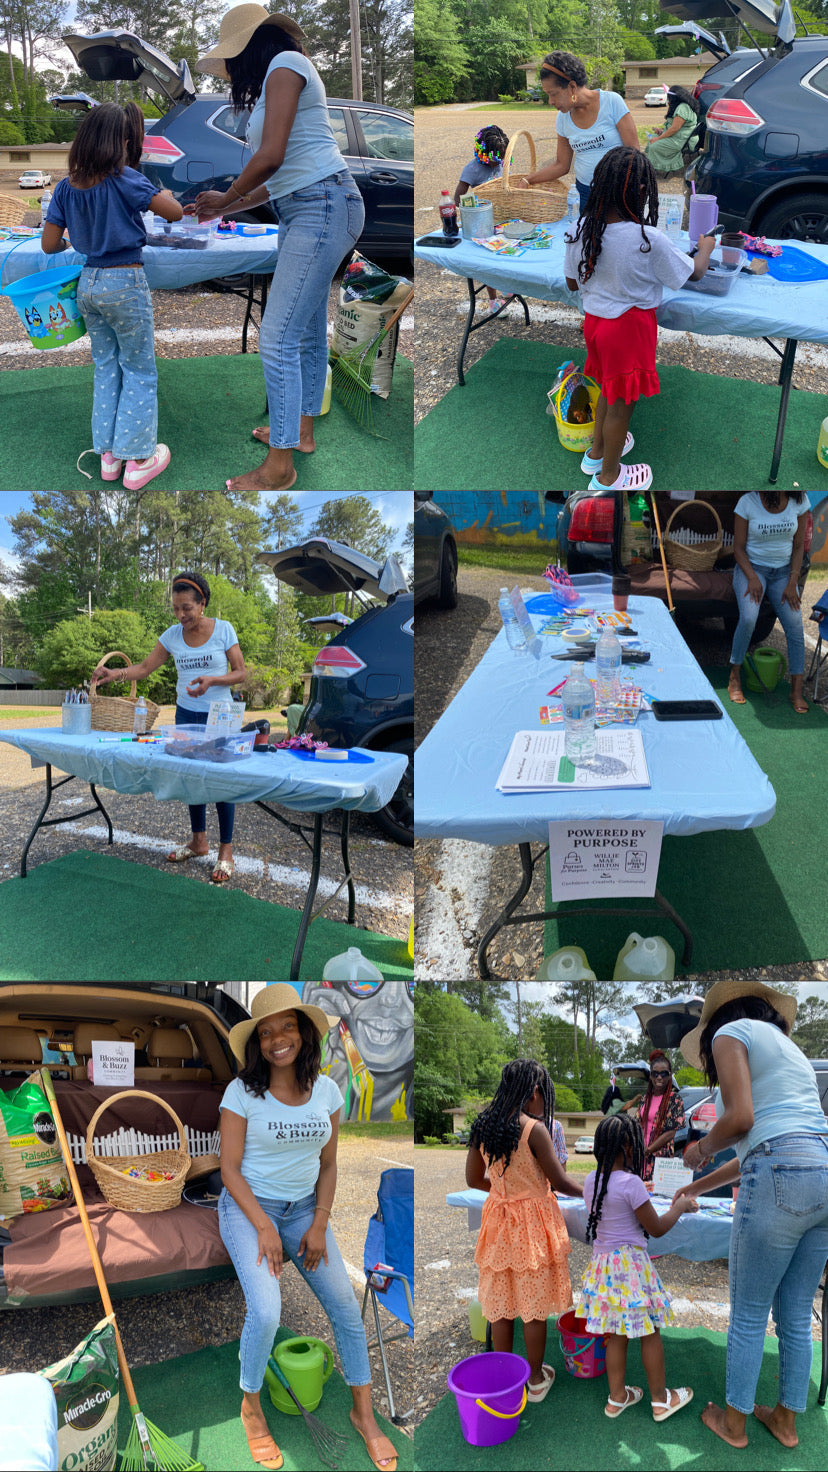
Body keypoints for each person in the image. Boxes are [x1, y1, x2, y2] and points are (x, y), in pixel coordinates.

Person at [219, 984, 397, 1472]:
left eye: (287, 1027)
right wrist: (263, 1226)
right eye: (266, 1032)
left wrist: (319, 1222)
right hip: (248, 1208)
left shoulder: (327, 1090)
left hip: (304, 1211)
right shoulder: (241, 1093)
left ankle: (363, 1414)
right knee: (267, 1311)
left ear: (304, 1033)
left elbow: (329, 1164)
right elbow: (229, 1170)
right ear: (256, 1042)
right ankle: (250, 1407)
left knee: (346, 1308)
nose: (278, 1039)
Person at [193, 5, 365, 492]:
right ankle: (300, 434)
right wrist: (225, 206)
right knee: (304, 331)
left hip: (323, 206)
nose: (230, 73)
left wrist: (227, 195)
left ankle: (279, 467)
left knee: (277, 337)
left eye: (230, 61)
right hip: (307, 206)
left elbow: (270, 158)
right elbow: (280, 177)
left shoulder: (286, 64)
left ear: (248, 48)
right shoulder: (279, 76)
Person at [676, 981, 828, 1451]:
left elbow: (742, 1121)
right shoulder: (788, 1051)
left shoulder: (730, 1033)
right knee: (796, 1315)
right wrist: (696, 1185)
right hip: (822, 1172)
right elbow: (763, 1147)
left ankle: (734, 1423)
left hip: (779, 1172)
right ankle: (785, 1421)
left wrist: (700, 1149)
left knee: (747, 1314)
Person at [41, 102, 181, 490]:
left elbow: (49, 245)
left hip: (88, 284)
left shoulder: (65, 187)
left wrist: (74, 239)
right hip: (125, 283)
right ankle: (138, 459)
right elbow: (173, 212)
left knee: (106, 366)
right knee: (139, 368)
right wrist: (163, 192)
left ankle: (108, 456)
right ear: (122, 142)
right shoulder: (126, 179)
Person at [563, 146, 716, 490]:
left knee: (609, 390)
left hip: (596, 325)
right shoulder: (649, 239)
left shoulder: (580, 228)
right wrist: (705, 248)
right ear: (643, 191)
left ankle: (596, 453)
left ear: (600, 183)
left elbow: (572, 282)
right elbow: (694, 273)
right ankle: (609, 477)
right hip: (628, 330)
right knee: (621, 408)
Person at [91, 570, 247, 884]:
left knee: (221, 781)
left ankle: (226, 850)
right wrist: (115, 674)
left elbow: (241, 672)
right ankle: (198, 842)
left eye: (187, 608)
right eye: (176, 608)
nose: (181, 615)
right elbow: (144, 668)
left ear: (202, 603)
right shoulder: (172, 636)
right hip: (186, 714)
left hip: (219, 716)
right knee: (191, 778)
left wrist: (213, 680)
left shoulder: (223, 630)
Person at [465, 1059, 583, 1402]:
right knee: (533, 1305)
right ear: (533, 1091)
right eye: (544, 1094)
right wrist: (595, 1190)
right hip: (532, 1225)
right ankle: (534, 1379)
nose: (545, 1102)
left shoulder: (483, 1125)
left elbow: (473, 1178)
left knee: (502, 1304)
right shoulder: (534, 1129)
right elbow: (560, 1181)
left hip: (498, 1221)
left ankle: (506, 1378)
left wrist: (505, 1192)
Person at [582, 1112, 699, 1421]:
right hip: (631, 1268)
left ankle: (617, 1398)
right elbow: (656, 1228)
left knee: (615, 1332)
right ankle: (660, 1400)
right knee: (650, 1331)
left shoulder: (592, 1180)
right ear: (628, 1147)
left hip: (605, 1269)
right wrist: (680, 1207)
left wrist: (638, 1191)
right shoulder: (631, 1183)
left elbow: (615, 1201)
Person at [517, 52, 640, 213]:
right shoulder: (563, 119)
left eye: (553, 94)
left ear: (572, 87)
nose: (550, 101)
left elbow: (634, 152)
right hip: (585, 192)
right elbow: (561, 165)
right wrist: (527, 180)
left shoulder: (611, 102)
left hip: (618, 191)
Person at [726, 492, 810, 713]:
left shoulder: (799, 500)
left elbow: (799, 546)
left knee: (795, 623)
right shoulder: (747, 502)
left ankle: (796, 690)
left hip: (784, 573)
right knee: (749, 618)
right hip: (751, 568)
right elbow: (738, 549)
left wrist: (793, 581)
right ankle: (734, 676)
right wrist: (752, 578)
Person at [454, 127, 514, 315]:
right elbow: (458, 198)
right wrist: (474, 208)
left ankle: (506, 285)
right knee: (489, 263)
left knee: (505, 254)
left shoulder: (502, 161)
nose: (498, 161)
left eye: (502, 157)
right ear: (483, 153)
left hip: (502, 218)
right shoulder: (472, 169)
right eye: (495, 157)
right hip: (483, 223)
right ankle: (493, 300)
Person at [636, 1050, 686, 1183]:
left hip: (660, 1158)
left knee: (656, 1192)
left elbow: (671, 1132)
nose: (659, 1077)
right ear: (650, 1076)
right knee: (639, 1190)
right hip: (640, 1155)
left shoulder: (674, 1099)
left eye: (664, 1074)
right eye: (655, 1073)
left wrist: (649, 1150)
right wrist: (639, 1147)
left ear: (669, 1076)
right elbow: (638, 1124)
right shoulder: (645, 1099)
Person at [645, 88, 700, 175]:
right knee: (652, 138)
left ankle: (651, 170)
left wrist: (658, 138)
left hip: (682, 140)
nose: (668, 101)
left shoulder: (682, 108)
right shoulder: (683, 105)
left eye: (669, 98)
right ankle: (653, 166)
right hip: (680, 136)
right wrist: (662, 131)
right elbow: (677, 126)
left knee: (654, 145)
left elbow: (675, 128)